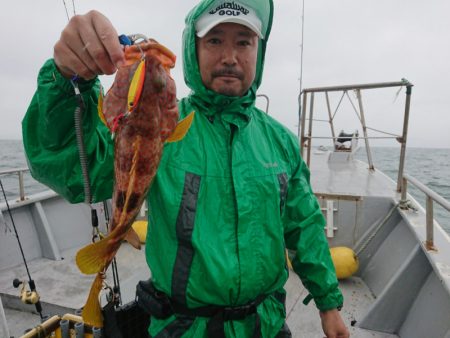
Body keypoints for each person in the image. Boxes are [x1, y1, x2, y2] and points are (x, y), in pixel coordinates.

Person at [22, 0, 349, 337]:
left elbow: (304, 225)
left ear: (259, 51)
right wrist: (67, 82)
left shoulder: (280, 141)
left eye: (243, 41)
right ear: (192, 50)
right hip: (182, 328)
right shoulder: (162, 129)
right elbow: (76, 170)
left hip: (265, 325)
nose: (229, 57)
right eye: (214, 40)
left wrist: (328, 303)